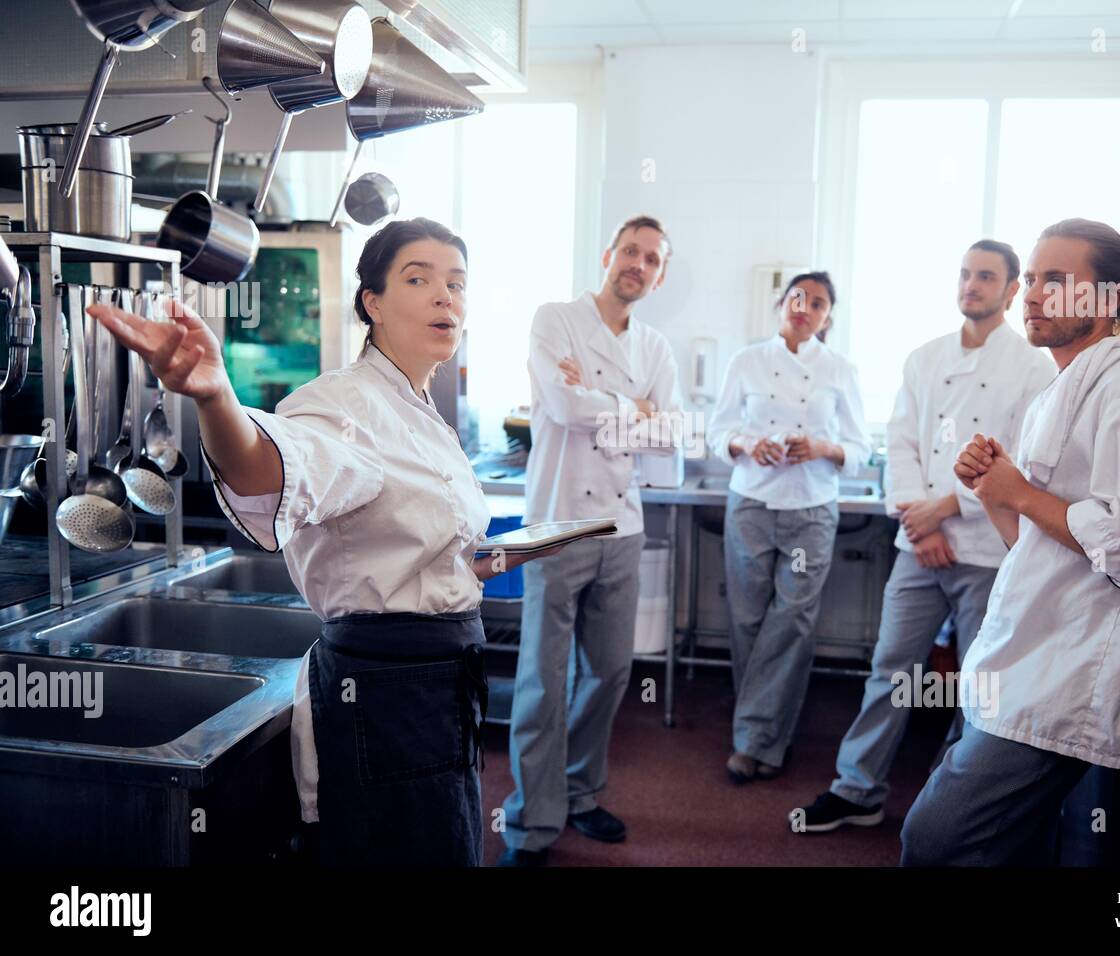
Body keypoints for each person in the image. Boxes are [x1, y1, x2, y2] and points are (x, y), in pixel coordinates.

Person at [90, 218, 559, 867]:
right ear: (372, 301)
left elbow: (414, 549)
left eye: (456, 283)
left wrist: (492, 559)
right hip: (387, 692)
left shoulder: (419, 410)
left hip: (439, 684)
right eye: (418, 279)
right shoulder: (344, 407)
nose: (444, 297)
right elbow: (277, 468)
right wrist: (217, 398)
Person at [900, 219, 1120, 865]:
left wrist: (1021, 492)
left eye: (1055, 280)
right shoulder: (1069, 387)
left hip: (1067, 678)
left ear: (1109, 297)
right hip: (1029, 657)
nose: (1031, 294)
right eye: (1030, 279)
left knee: (935, 840)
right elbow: (1037, 545)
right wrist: (996, 492)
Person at [791, 241, 1055, 831]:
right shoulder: (924, 358)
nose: (972, 285)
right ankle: (857, 788)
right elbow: (902, 446)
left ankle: (948, 808)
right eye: (965, 274)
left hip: (987, 551)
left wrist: (947, 508)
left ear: (1012, 291)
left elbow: (1023, 467)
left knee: (976, 685)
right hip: (920, 547)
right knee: (891, 669)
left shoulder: (1034, 368)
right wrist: (920, 518)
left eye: (986, 277)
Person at [500, 215, 683, 867]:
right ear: (608, 255)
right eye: (630, 250)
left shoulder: (657, 347)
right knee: (543, 681)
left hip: (622, 528)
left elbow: (671, 437)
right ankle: (529, 823)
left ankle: (580, 791)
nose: (638, 263)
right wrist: (634, 408)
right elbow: (560, 406)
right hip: (554, 527)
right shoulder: (556, 319)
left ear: (659, 277)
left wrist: (602, 400)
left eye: (652, 259)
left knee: (609, 671)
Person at [706, 271, 871, 784]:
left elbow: (861, 452)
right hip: (752, 503)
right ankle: (761, 731)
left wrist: (822, 447)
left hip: (813, 508)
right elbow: (717, 433)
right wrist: (746, 444)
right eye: (797, 297)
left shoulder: (841, 370)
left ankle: (758, 741)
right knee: (748, 616)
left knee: (793, 619)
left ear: (828, 318)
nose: (805, 307)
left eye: (818, 302)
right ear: (781, 304)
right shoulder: (746, 361)